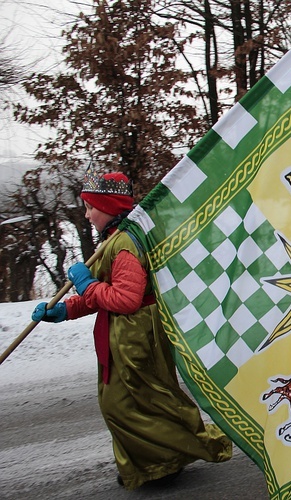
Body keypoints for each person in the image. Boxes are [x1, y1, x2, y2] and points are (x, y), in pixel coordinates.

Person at [32, 170, 232, 489]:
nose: (86, 214)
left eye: (90, 207)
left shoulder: (124, 243)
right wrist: (64, 309)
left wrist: (86, 283)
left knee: (136, 401)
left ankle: (175, 456)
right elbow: (99, 293)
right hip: (124, 332)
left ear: (109, 207)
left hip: (137, 333)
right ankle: (149, 463)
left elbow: (125, 299)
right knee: (131, 401)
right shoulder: (113, 240)